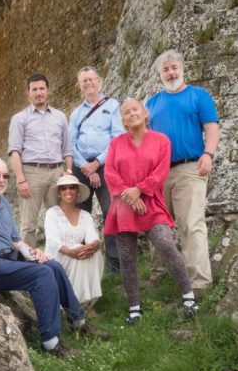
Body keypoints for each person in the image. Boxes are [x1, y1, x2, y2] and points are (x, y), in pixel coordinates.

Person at [0, 157, 109, 358]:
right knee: (42, 275)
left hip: (10, 256)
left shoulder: (3, 203)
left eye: (5, 176)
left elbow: (15, 240)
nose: (2, 180)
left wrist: (32, 252)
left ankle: (78, 321)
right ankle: (51, 342)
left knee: (52, 265)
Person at [104, 99, 198, 324]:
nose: (131, 114)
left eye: (135, 109)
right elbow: (109, 172)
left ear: (145, 114)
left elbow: (161, 171)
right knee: (127, 256)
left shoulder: (161, 141)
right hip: (124, 205)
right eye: (126, 112)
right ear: (123, 120)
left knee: (165, 243)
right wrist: (129, 193)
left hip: (151, 202)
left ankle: (188, 296)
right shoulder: (116, 143)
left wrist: (140, 190)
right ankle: (134, 308)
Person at [146, 51, 220, 296]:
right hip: (159, 173)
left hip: (190, 168)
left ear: (182, 68)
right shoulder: (153, 103)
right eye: (165, 70)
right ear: (160, 75)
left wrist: (208, 154)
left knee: (191, 224)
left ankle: (199, 282)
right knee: (156, 226)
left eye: (174, 67)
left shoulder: (198, 96)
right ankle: (158, 275)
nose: (171, 73)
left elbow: (211, 128)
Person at [8, 72, 73, 247]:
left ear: (48, 91)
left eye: (41, 89)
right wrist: (21, 180)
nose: (38, 93)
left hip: (56, 174)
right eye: (34, 89)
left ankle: (58, 263)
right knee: (28, 225)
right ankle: (30, 267)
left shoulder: (60, 117)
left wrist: (67, 172)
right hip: (31, 173)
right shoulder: (19, 119)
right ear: (28, 93)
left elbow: (67, 149)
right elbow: (15, 151)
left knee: (58, 220)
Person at [69, 66, 124, 273]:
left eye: (92, 79)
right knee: (82, 213)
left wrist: (97, 163)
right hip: (81, 167)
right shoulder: (76, 114)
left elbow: (116, 137)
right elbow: (71, 143)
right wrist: (85, 166)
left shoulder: (112, 105)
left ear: (99, 82)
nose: (89, 83)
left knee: (111, 211)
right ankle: (85, 260)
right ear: (80, 86)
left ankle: (113, 262)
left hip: (105, 165)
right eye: (84, 81)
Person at [44, 174, 104, 305]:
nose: (68, 191)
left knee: (95, 253)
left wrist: (93, 246)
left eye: (72, 187)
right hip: (56, 258)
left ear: (78, 191)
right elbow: (53, 241)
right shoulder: (52, 213)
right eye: (63, 188)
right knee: (79, 250)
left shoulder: (86, 215)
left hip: (76, 255)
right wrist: (71, 252)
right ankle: (75, 305)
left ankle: (86, 303)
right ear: (59, 192)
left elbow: (93, 237)